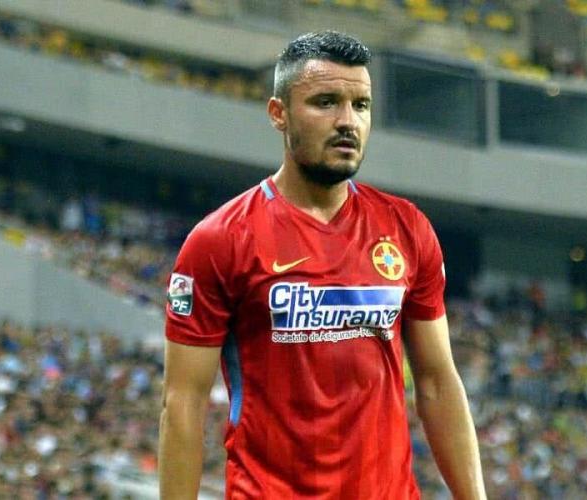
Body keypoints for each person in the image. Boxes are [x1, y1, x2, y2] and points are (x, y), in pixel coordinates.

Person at [159, 31, 486, 499]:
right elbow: (184, 402)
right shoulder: (220, 240)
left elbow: (436, 382)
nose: (347, 121)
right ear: (279, 113)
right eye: (326, 102)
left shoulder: (407, 228)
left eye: (361, 105)